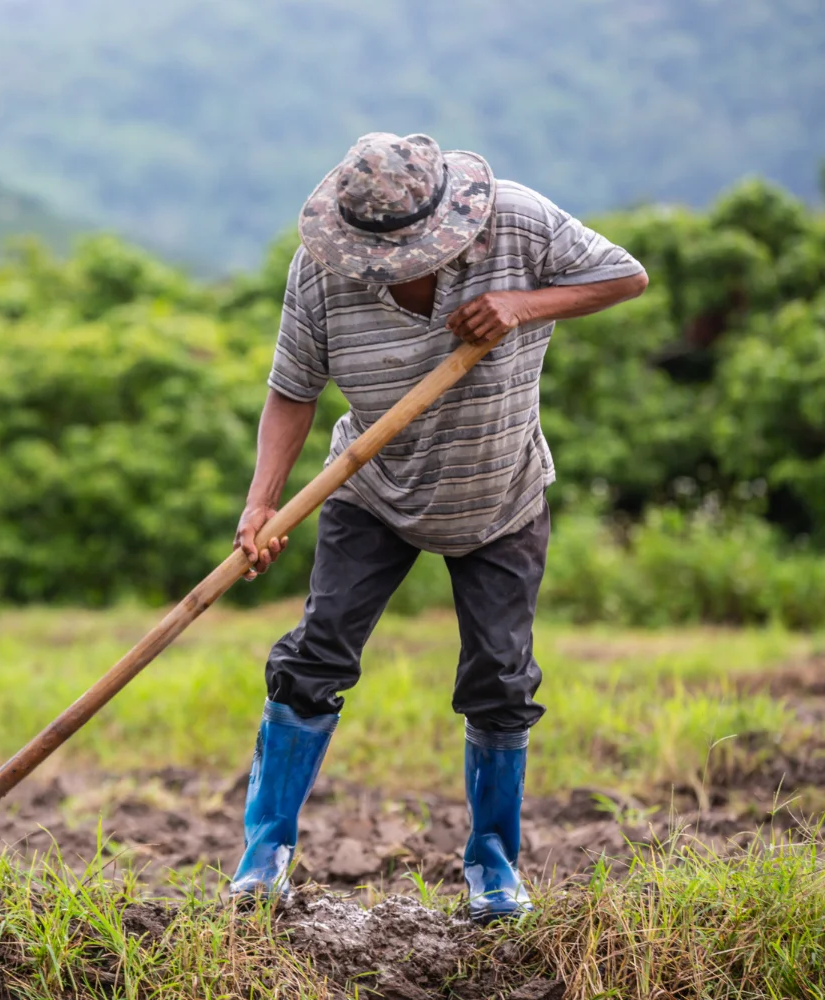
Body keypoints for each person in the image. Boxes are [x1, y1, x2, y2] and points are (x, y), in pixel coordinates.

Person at [230, 132, 648, 923]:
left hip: (501, 493)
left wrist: (522, 305)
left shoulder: (519, 222)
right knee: (315, 657)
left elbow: (625, 276)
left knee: (499, 678)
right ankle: (264, 858)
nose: (390, 269)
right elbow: (293, 390)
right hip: (371, 486)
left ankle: (493, 869)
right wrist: (262, 503)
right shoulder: (322, 271)